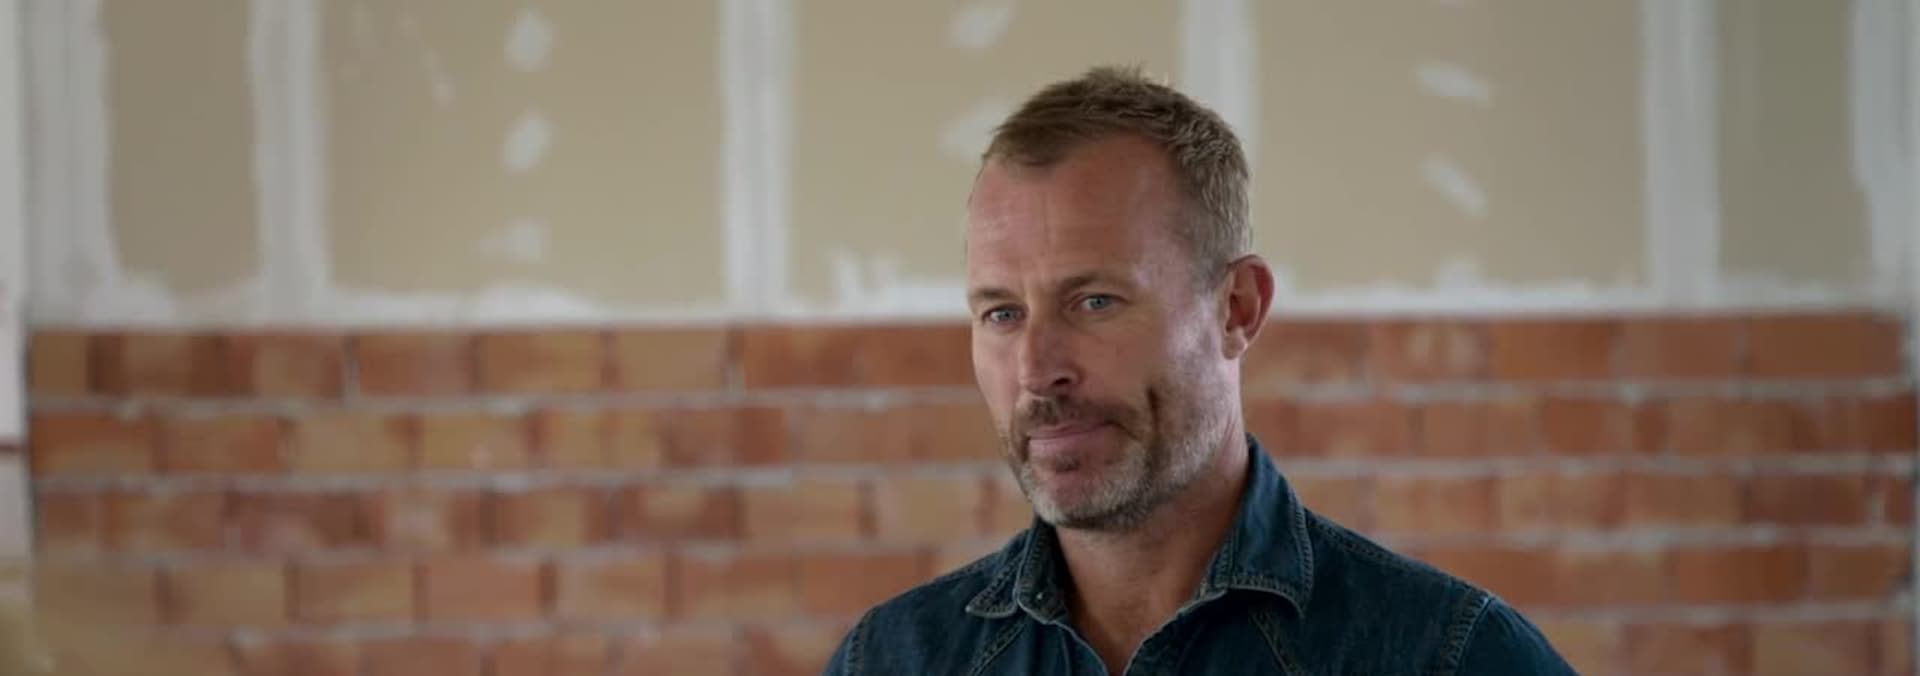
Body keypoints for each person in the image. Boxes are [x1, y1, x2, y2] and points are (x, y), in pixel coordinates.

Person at [821, 65, 1575, 675]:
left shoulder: (1448, 657)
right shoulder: (889, 661)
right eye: (1001, 313)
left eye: (1094, 302)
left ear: (1237, 308)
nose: (1036, 370)